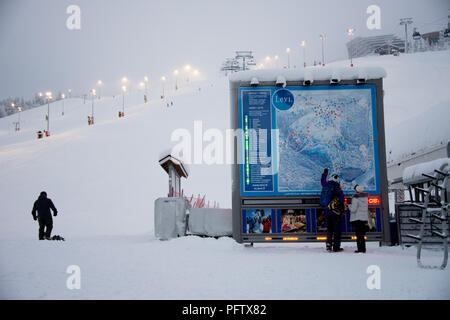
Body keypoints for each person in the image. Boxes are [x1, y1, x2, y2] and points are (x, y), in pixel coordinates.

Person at [321, 168, 345, 252]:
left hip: (327, 211)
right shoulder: (337, 187)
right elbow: (342, 199)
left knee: (329, 229)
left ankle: (328, 245)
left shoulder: (325, 185)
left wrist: (325, 173)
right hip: (335, 213)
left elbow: (322, 180)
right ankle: (336, 247)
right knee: (337, 230)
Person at [350, 185, 369, 253]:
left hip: (357, 218)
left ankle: (360, 249)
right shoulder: (365, 198)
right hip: (364, 218)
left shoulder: (356, 198)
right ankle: (363, 249)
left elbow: (353, 209)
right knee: (362, 235)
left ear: (356, 190)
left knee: (358, 235)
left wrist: (349, 206)